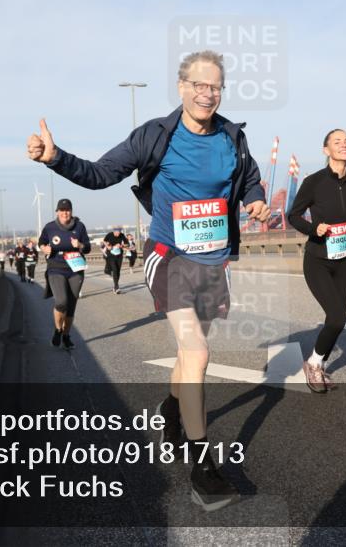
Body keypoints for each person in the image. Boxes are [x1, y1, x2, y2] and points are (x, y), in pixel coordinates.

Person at [27, 49, 269, 511]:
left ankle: (172, 412)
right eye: (198, 84)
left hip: (213, 263)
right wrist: (55, 158)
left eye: (215, 86)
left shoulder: (232, 139)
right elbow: (100, 174)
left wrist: (255, 199)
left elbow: (250, 180)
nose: (207, 93)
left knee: (187, 356)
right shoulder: (156, 135)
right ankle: (203, 468)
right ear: (181, 87)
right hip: (168, 255)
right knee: (198, 351)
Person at [288, 129, 346, 393]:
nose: (344, 145)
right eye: (337, 142)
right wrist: (315, 229)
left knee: (337, 320)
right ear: (326, 150)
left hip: (344, 260)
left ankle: (318, 364)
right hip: (318, 261)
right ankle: (313, 364)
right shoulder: (314, 181)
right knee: (337, 318)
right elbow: (294, 215)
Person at [38, 199, 91, 350]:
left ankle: (66, 336)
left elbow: (87, 247)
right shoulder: (50, 227)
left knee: (71, 305)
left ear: (71, 211)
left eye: (67, 210)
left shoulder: (79, 227)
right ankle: (57, 330)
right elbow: (41, 241)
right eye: (62, 210)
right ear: (57, 212)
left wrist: (80, 245)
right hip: (56, 268)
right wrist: (44, 248)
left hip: (75, 269)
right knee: (61, 301)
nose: (65, 212)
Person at [103, 228, 128, 293]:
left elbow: (127, 244)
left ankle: (115, 286)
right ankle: (117, 287)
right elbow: (104, 241)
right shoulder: (109, 235)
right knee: (115, 269)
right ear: (114, 231)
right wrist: (108, 246)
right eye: (117, 232)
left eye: (119, 232)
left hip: (119, 255)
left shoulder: (122, 235)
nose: (118, 233)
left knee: (118, 271)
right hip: (111, 254)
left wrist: (121, 245)